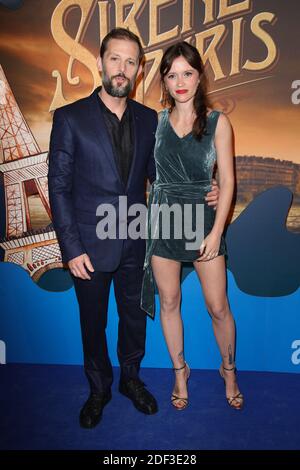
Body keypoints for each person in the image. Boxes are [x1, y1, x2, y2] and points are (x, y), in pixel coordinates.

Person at [48, 28, 220, 429]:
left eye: (130, 62)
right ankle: (98, 389)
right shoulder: (70, 118)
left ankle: (130, 380)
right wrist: (71, 248)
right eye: (115, 59)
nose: (122, 69)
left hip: (138, 242)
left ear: (139, 69)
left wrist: (207, 188)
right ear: (100, 62)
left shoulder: (149, 121)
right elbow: (57, 187)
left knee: (134, 318)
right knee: (92, 323)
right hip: (88, 246)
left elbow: (164, 178)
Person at [141, 41, 243, 411]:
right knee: (169, 301)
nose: (180, 81)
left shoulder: (219, 122)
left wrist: (216, 233)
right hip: (165, 218)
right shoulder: (155, 123)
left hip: (203, 222)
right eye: (172, 75)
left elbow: (228, 182)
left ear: (199, 77)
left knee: (218, 306)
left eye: (187, 73)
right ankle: (180, 371)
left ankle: (228, 370)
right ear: (164, 82)